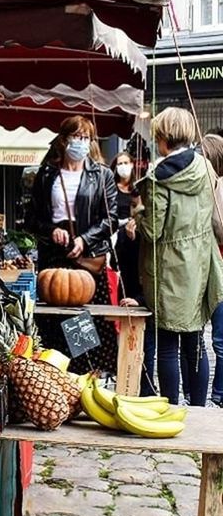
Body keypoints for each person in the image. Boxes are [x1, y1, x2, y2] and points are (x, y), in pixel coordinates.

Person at [135, 107, 223, 406]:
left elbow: (153, 231)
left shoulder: (158, 177)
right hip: (202, 263)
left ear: (162, 138)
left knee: (168, 345)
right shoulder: (205, 166)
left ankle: (170, 406)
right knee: (195, 342)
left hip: (170, 267)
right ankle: (198, 408)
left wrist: (138, 214)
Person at [27, 115, 118, 373]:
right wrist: (52, 230)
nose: (80, 142)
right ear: (64, 140)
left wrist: (85, 240)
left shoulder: (102, 175)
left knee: (83, 325)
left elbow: (110, 218)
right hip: (54, 258)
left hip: (86, 262)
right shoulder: (47, 174)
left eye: (85, 137)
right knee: (53, 324)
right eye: (76, 136)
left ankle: (84, 375)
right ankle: (53, 374)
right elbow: (31, 218)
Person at [112, 151, 157, 396]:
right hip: (129, 292)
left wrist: (140, 299)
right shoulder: (125, 232)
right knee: (130, 342)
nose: (135, 211)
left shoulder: (150, 231)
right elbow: (118, 262)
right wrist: (128, 239)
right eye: (131, 206)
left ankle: (146, 387)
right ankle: (130, 384)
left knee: (147, 344)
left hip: (145, 295)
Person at [198, 133, 223, 405]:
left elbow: (219, 227)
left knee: (219, 337)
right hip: (207, 265)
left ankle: (220, 393)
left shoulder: (219, 186)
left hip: (218, 267)